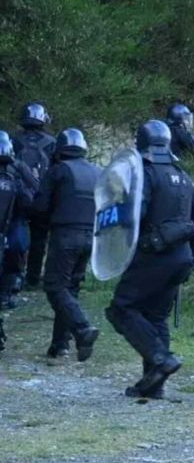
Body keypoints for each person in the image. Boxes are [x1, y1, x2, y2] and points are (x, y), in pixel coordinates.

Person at [105, 120, 194, 399]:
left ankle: (161, 359)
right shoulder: (183, 176)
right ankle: (153, 384)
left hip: (154, 254)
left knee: (121, 309)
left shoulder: (146, 175)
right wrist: (192, 258)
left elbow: (136, 215)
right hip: (181, 256)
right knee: (156, 316)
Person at [33, 128, 101, 361]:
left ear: (59, 150)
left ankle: (82, 329)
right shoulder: (97, 172)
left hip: (65, 236)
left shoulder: (58, 171)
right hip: (90, 237)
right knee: (70, 289)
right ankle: (60, 345)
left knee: (55, 286)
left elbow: (40, 207)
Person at [12, 102, 55, 292]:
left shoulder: (13, 139)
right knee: (39, 239)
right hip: (41, 198)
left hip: (16, 196)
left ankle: (13, 276)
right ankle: (33, 278)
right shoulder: (51, 142)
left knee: (13, 234)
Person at [0, 131, 36, 345]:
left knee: (17, 248)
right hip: (9, 225)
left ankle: (10, 288)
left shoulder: (18, 169)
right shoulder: (16, 171)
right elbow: (30, 197)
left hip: (12, 223)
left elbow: (29, 196)